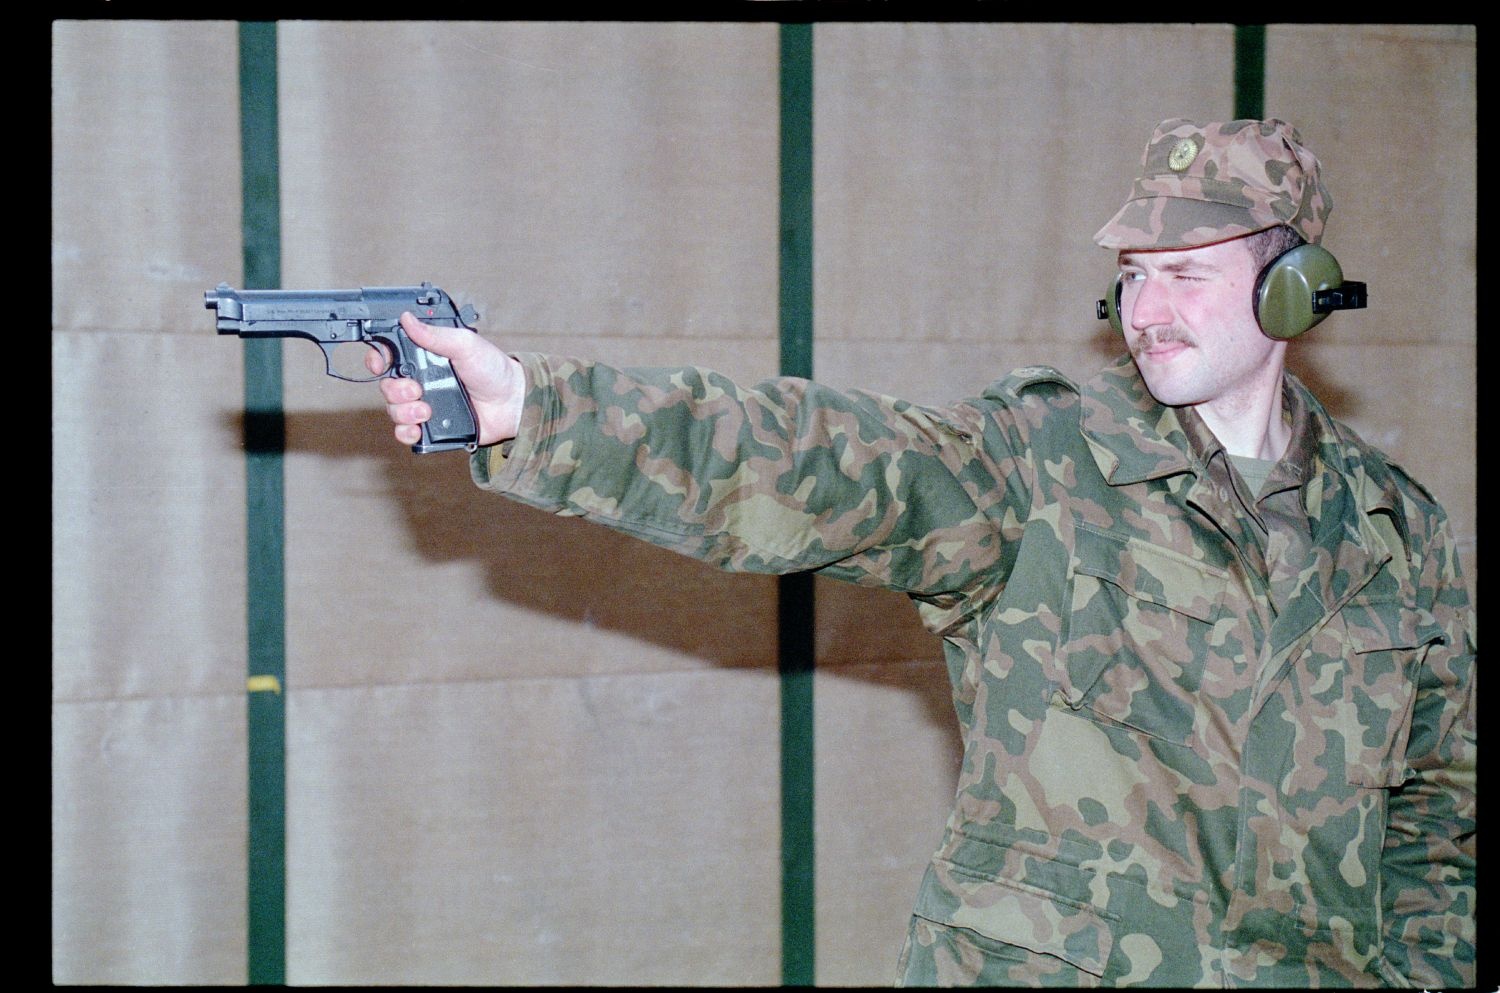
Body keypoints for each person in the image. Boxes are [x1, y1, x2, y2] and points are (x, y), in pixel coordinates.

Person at [370, 119, 1476, 987]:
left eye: (1186, 271)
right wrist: (542, 409)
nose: (1147, 307)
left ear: (1294, 286)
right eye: (1133, 273)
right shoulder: (1040, 463)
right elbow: (828, 462)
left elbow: (1441, 814)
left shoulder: (1396, 534)